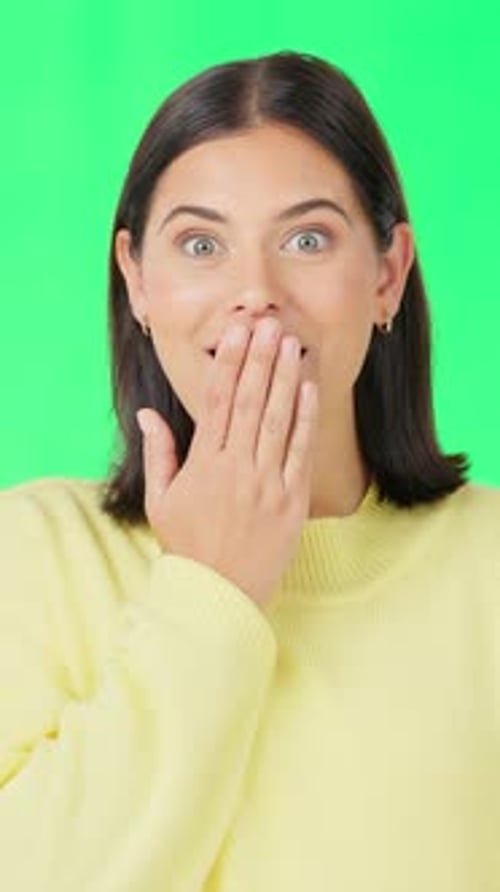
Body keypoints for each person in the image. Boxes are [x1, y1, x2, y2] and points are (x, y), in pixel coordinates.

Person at [0, 49, 499, 892]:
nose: (255, 292)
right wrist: (210, 588)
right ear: (138, 282)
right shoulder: (32, 554)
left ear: (387, 274)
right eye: (201, 243)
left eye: (307, 238)